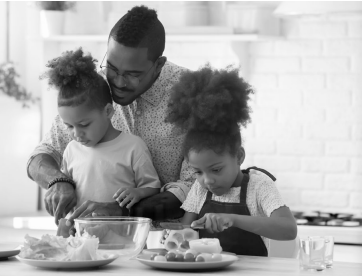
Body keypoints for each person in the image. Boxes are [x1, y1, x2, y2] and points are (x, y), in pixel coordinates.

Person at [27, 5, 194, 226]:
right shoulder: (94, 88)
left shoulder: (194, 95)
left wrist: (124, 212)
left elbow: (197, 186)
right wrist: (57, 181)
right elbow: (40, 156)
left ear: (158, 65)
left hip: (169, 241)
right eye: (112, 68)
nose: (118, 82)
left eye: (133, 74)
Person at [163, 65, 297, 256]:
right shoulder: (200, 189)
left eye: (216, 169)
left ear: (239, 156)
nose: (207, 180)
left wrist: (232, 219)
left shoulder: (258, 186)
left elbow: (288, 229)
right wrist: (175, 236)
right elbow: (186, 230)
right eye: (198, 172)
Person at [39, 48, 160, 215]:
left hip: (123, 238)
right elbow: (68, 201)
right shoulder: (71, 150)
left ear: (108, 112)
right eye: (69, 126)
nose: (76, 134)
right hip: (82, 239)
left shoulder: (133, 147)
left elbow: (153, 187)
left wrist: (138, 193)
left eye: (84, 124)